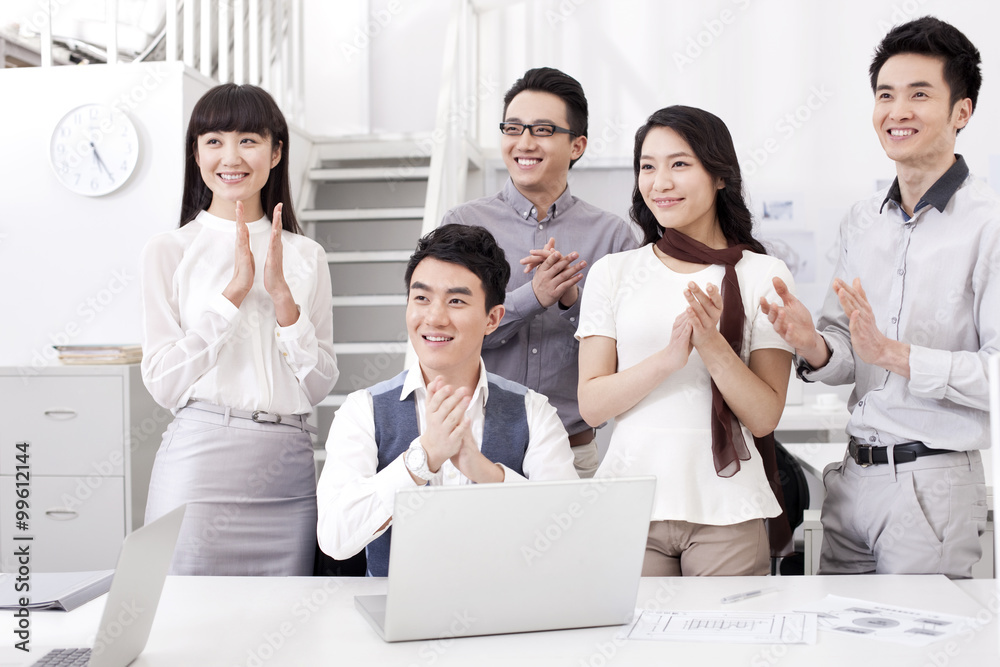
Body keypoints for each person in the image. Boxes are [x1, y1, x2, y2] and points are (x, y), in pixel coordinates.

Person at [762, 16, 997, 578]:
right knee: (840, 650)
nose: (898, 111)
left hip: (933, 487)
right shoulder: (862, 221)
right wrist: (813, 345)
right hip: (852, 480)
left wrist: (896, 355)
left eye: (920, 94)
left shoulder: (989, 224)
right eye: (885, 95)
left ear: (961, 112)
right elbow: (847, 350)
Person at [577, 106, 795, 576]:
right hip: (631, 500)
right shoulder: (614, 273)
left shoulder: (764, 274)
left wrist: (713, 346)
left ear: (719, 175)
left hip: (728, 506)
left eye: (679, 164)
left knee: (722, 649)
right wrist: (669, 358)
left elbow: (763, 417)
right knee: (636, 650)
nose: (660, 182)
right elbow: (592, 406)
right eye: (647, 167)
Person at [140, 83, 338, 575]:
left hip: (287, 469)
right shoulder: (169, 249)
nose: (231, 156)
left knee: (279, 634)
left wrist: (283, 301)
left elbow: (318, 384)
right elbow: (163, 381)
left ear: (276, 153)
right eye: (214, 140)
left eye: (248, 139)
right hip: (200, 462)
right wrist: (230, 297)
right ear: (196, 153)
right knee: (185, 628)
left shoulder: (307, 255)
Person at [316, 224, 577, 576]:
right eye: (421, 298)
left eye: (456, 301)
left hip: (507, 617)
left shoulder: (534, 412)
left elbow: (571, 539)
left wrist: (485, 472)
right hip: (393, 618)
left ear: (492, 318)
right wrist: (421, 460)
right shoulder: (363, 410)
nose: (435, 318)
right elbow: (334, 538)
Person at [441, 67, 638, 478]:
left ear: (577, 145)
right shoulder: (464, 224)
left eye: (543, 130)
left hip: (574, 454)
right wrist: (534, 296)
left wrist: (571, 302)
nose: (524, 142)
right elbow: (447, 333)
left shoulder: (614, 237)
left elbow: (629, 351)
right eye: (513, 128)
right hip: (474, 450)